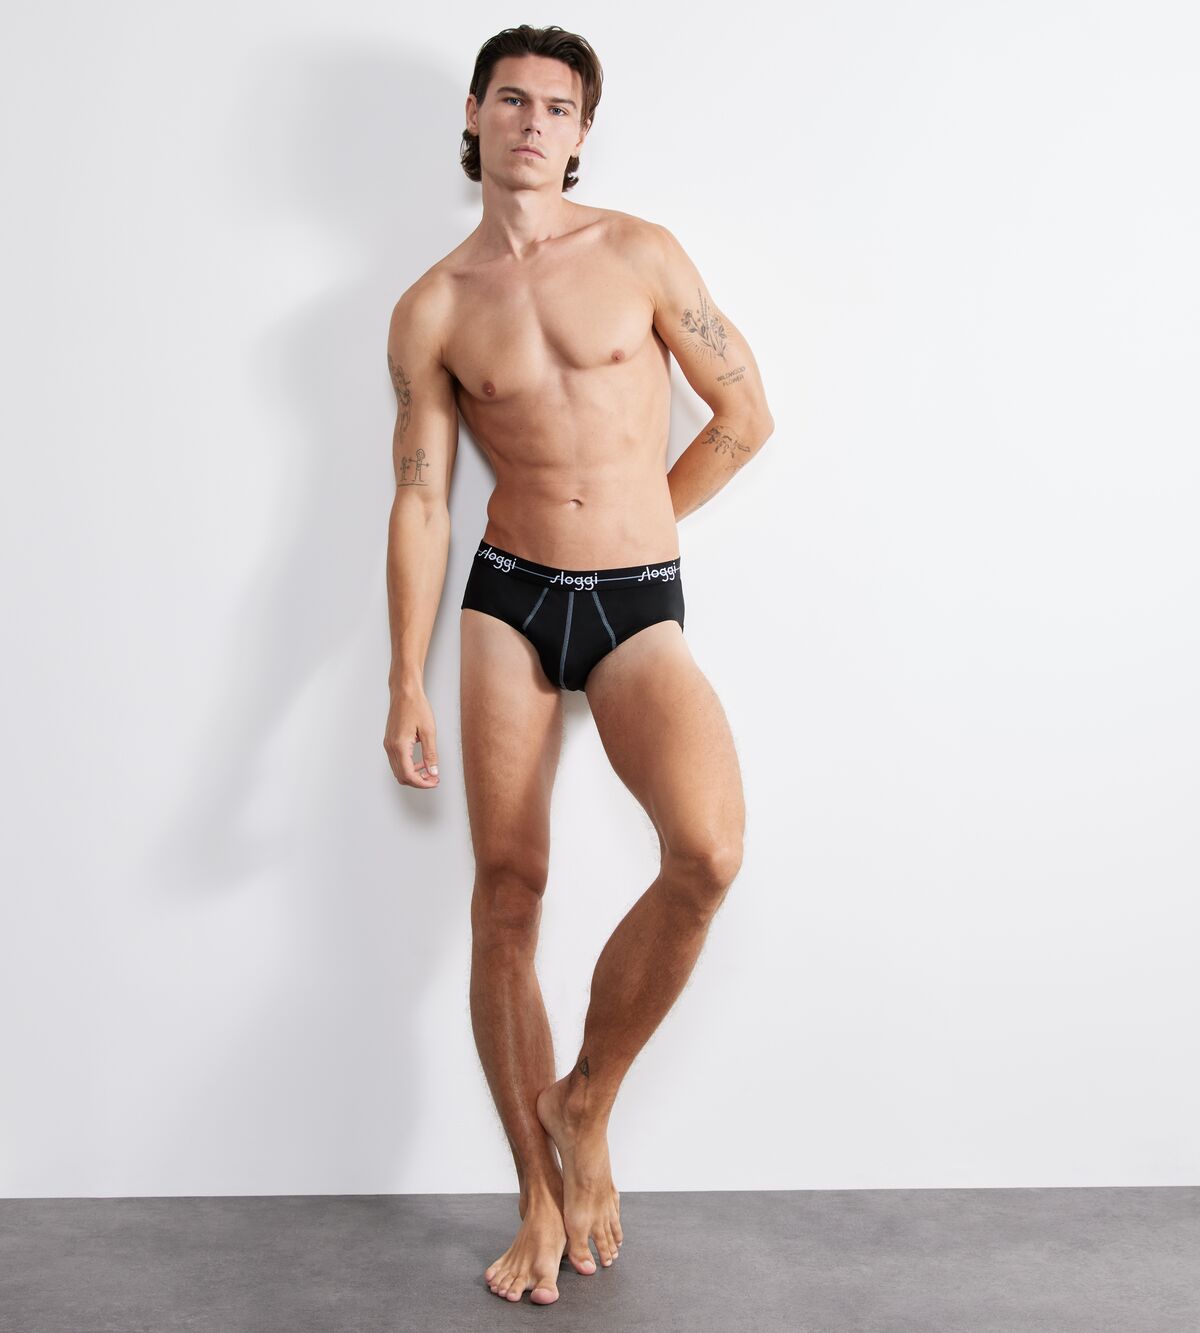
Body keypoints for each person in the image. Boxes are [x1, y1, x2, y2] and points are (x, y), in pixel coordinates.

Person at [383, 23, 774, 1307]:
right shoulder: (434, 306)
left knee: (707, 851)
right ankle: (537, 1194)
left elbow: (747, 414)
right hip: (506, 600)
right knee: (508, 893)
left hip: (635, 601)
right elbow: (422, 494)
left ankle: (585, 1098)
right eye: (513, 100)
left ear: (583, 130)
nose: (534, 122)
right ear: (476, 113)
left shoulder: (639, 252)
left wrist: (642, 522)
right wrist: (401, 676)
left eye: (558, 106)